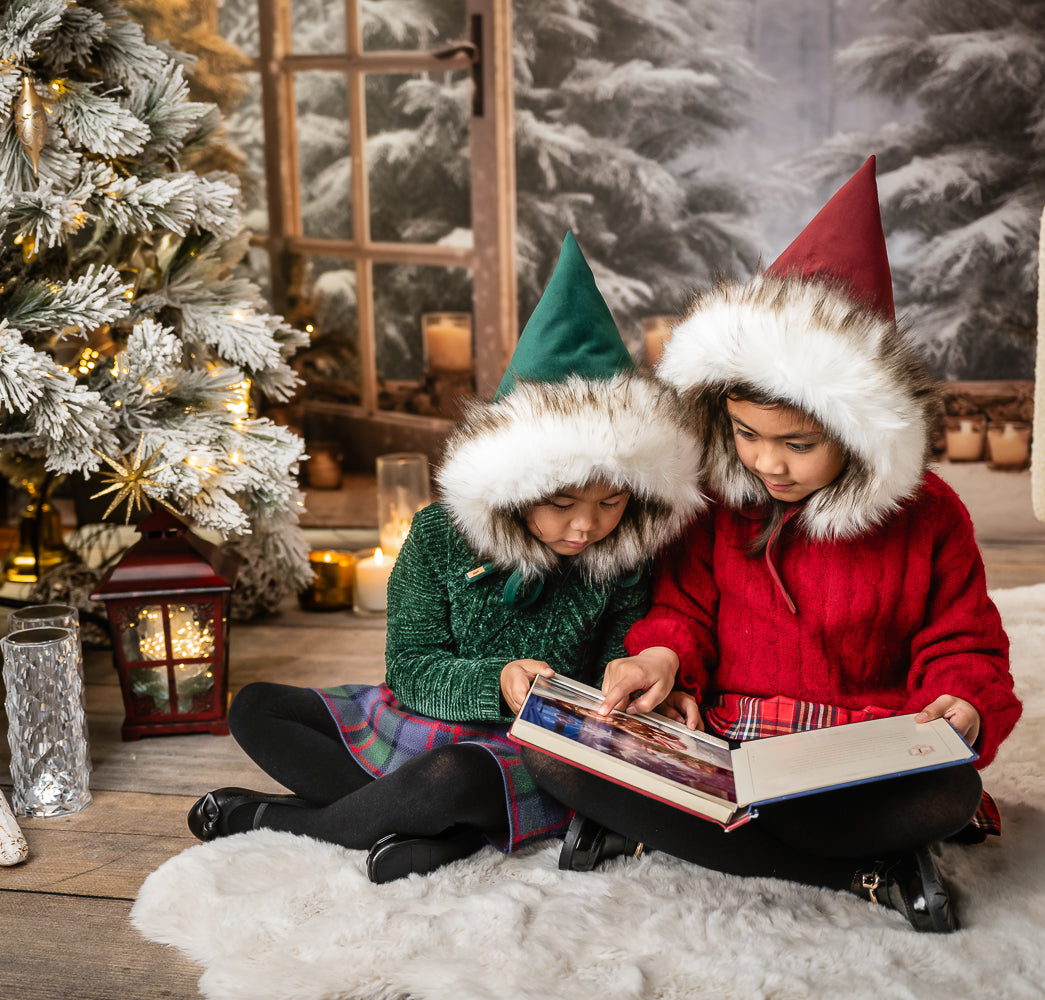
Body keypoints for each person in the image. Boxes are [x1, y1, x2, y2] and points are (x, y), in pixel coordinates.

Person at [521, 158, 1023, 933]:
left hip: (855, 755)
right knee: (554, 757)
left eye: (798, 443)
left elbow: (966, 646)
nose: (767, 462)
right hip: (727, 742)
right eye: (747, 434)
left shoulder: (931, 519)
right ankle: (858, 870)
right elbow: (681, 610)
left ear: (861, 434)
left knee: (944, 795)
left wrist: (962, 704)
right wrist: (660, 660)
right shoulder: (719, 503)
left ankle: (718, 840)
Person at [186, 233, 707, 882]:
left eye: (612, 501)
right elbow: (411, 666)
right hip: (421, 720)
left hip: (515, 754)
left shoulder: (623, 557)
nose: (586, 524)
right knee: (254, 706)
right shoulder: (438, 536)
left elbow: (612, 669)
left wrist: (615, 689)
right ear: (513, 485)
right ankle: (425, 825)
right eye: (564, 500)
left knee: (457, 777)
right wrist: (496, 680)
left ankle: (282, 821)